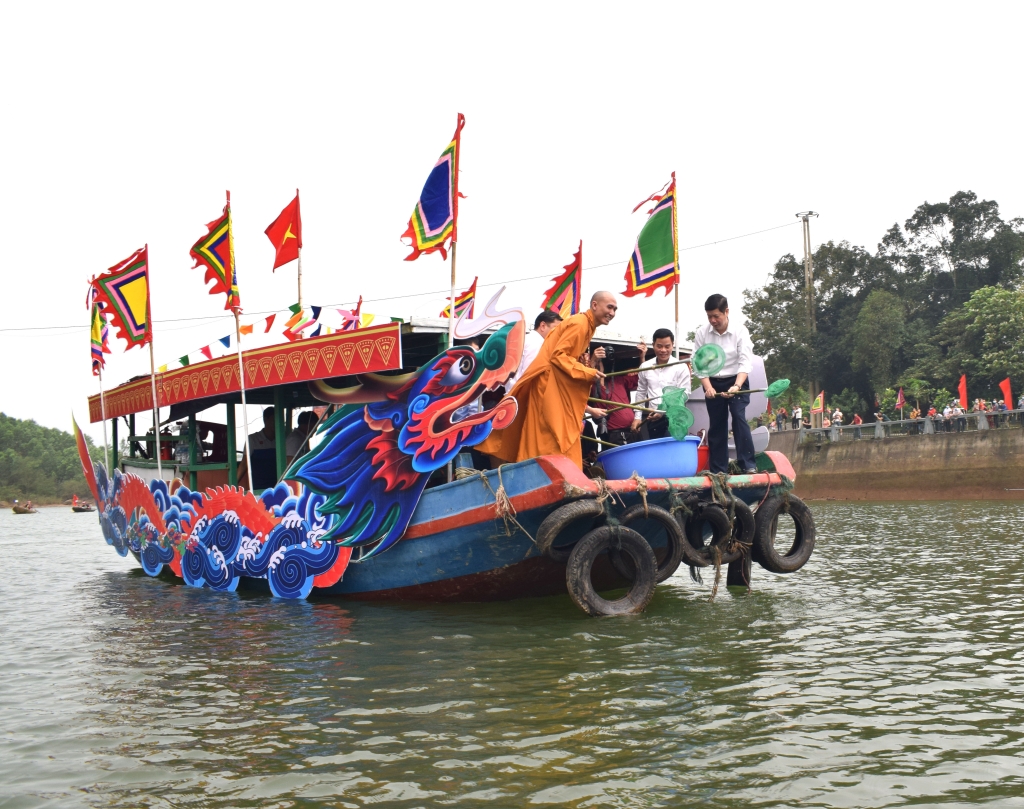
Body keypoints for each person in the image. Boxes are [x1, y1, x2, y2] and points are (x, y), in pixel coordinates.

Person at [479, 291, 617, 469]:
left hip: (550, 387)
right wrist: (586, 372)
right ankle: (548, 474)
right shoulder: (580, 324)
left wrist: (585, 366)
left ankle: (547, 473)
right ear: (595, 305)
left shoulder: (587, 326)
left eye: (615, 309)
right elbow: (558, 356)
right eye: (609, 307)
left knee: (550, 435)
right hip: (547, 389)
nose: (612, 313)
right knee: (551, 436)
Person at [692, 295, 755, 474]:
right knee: (717, 424)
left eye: (716, 316)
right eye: (709, 316)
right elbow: (698, 363)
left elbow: (745, 362)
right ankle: (719, 470)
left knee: (738, 416)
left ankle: (748, 464)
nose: (713, 320)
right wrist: (708, 387)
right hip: (712, 382)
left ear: (726, 312)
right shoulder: (702, 333)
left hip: (737, 379)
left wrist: (736, 386)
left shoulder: (740, 331)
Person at [631, 328, 691, 442]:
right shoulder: (646, 366)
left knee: (674, 452)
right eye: (659, 346)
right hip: (653, 419)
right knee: (658, 453)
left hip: (676, 418)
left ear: (673, 345)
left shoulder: (681, 367)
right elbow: (641, 392)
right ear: (653, 345)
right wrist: (637, 417)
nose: (663, 350)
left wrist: (662, 411)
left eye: (667, 346)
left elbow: (685, 394)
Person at [591, 342, 644, 446]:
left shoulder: (618, 379)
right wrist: (593, 362)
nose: (600, 364)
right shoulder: (591, 385)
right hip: (614, 433)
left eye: (601, 362)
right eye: (599, 362)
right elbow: (584, 381)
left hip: (632, 429)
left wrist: (642, 357)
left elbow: (642, 378)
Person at [508, 310, 563, 390]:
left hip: (516, 393)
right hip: (522, 395)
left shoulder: (528, 339)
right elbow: (529, 375)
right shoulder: (536, 343)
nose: (559, 334)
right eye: (556, 329)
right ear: (543, 326)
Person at [243, 407, 278, 490]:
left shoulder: (282, 440)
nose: (277, 423)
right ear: (266, 420)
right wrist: (232, 484)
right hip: (258, 488)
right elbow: (244, 463)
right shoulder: (253, 439)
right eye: (274, 420)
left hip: (277, 487)